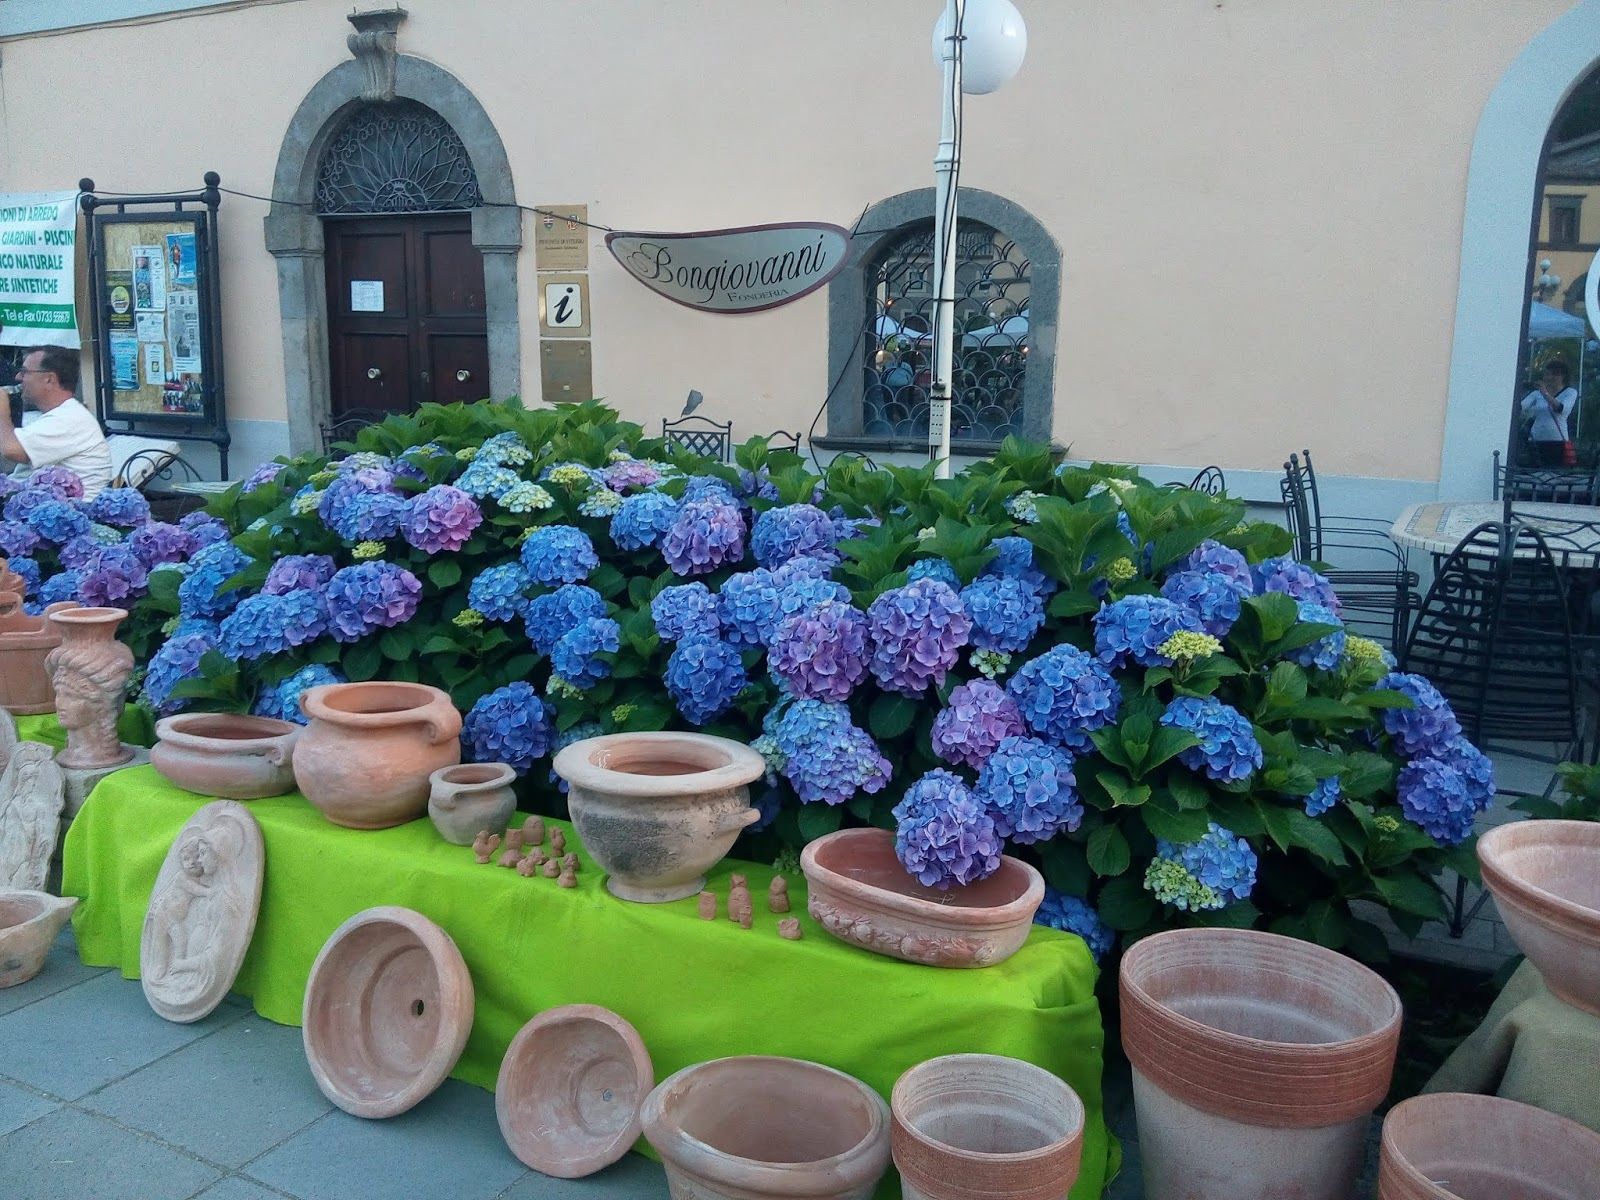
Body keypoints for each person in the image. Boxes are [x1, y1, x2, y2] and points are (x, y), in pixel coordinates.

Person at [1, 346, 113, 498]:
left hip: (68, 515)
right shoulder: (62, 415)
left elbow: (13, 451)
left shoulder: (68, 418)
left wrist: (2, 410)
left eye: (25, 371)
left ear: (49, 379)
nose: (18, 377)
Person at [1519, 360, 1579, 468]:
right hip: (1536, 439)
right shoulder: (1536, 394)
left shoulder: (1570, 392)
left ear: (1563, 376)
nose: (1550, 378)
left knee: (1553, 473)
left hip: (1557, 441)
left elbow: (1560, 409)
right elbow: (1521, 407)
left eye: (1554, 374)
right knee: (1535, 473)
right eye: (1547, 374)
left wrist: (1545, 393)